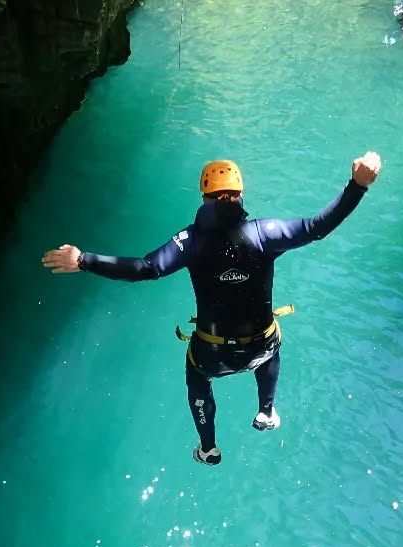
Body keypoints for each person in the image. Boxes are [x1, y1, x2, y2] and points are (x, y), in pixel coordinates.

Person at [41, 152, 383, 465]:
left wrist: (84, 260)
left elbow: (145, 268)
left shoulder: (190, 241)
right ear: (240, 195)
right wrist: (358, 185)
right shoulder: (264, 233)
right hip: (260, 346)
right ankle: (266, 412)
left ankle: (208, 448)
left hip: (213, 354)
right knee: (272, 345)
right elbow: (316, 228)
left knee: (198, 379)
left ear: (205, 197)